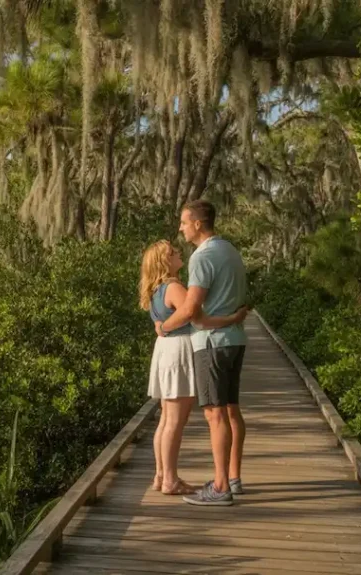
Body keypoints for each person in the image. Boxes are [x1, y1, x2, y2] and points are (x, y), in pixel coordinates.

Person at [155, 200, 249, 506]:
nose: (180, 228)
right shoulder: (230, 250)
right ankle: (232, 477)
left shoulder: (202, 256)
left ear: (198, 224)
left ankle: (220, 488)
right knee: (232, 409)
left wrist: (165, 326)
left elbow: (192, 310)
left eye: (183, 223)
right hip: (234, 340)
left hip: (210, 343)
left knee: (214, 413)